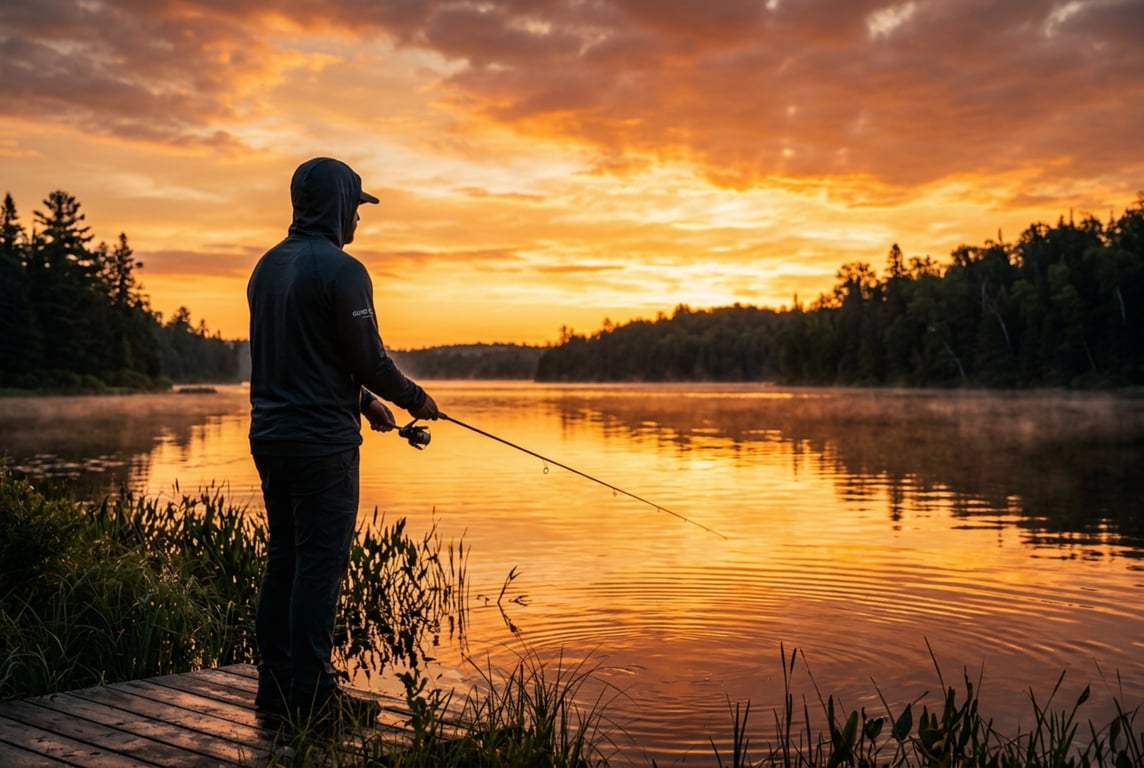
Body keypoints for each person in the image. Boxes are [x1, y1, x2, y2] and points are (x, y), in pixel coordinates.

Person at [247, 156, 439, 725]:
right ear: (336, 205)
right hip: (322, 448)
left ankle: (275, 689)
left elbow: (300, 358)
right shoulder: (344, 270)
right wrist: (412, 398)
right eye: (356, 205)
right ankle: (314, 698)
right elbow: (368, 358)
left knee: (283, 559)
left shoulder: (266, 268)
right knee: (319, 567)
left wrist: (364, 403)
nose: (359, 218)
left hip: (271, 439)